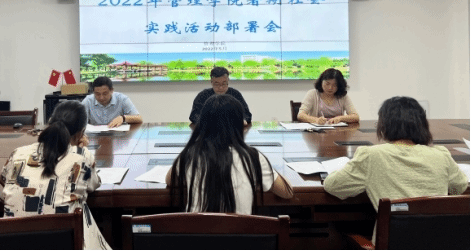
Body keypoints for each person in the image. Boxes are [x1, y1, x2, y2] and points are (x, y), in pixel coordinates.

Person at [324, 96, 468, 245]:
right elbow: (460, 186)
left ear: (384, 126)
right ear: (423, 126)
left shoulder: (371, 155)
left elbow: (333, 186)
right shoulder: (441, 155)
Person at [0, 101, 110, 249]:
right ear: (81, 133)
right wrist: (79, 150)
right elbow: (94, 183)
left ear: (49, 123)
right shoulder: (82, 156)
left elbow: (1, 195)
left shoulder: (18, 153)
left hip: (14, 243)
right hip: (63, 243)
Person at [167, 94, 293, 214]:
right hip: (240, 229)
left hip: (198, 229)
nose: (245, 123)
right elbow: (287, 192)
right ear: (237, 124)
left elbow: (169, 180)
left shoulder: (190, 154)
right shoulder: (252, 157)